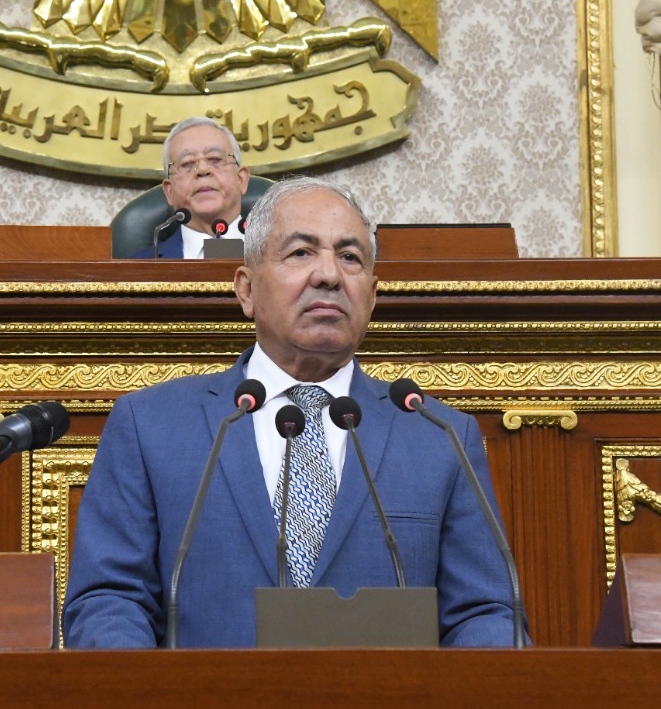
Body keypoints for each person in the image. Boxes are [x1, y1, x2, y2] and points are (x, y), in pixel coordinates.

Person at [64, 177, 517, 648]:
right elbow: (109, 600)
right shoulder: (150, 425)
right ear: (247, 290)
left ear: (372, 296)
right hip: (205, 697)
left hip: (388, 698)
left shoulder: (438, 435)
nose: (329, 275)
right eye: (301, 253)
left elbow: (484, 613)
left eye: (350, 257)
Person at [128, 117, 251, 258]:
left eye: (215, 159)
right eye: (187, 163)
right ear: (169, 192)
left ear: (241, 180)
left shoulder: (272, 253)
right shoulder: (139, 267)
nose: (202, 170)